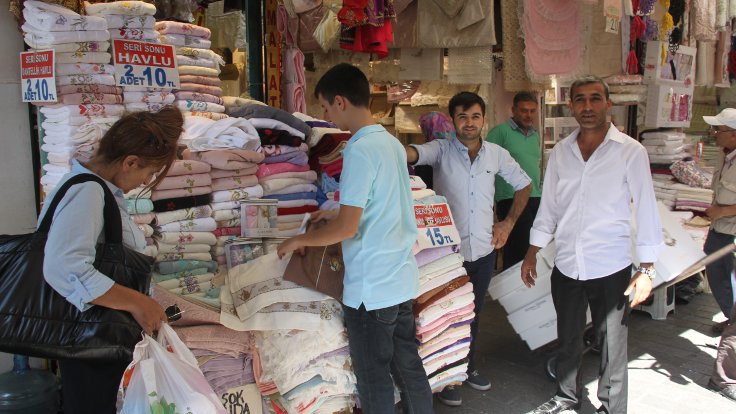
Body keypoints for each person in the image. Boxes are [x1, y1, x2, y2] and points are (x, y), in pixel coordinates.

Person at [276, 63, 433, 413]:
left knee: (373, 376)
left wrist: (299, 241)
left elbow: (349, 229)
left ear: (341, 102)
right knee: (408, 367)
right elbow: (383, 202)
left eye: (327, 108)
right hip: (400, 279)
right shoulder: (390, 143)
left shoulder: (359, 149)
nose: (328, 116)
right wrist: (335, 210)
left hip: (371, 290)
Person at [520, 75, 663, 414]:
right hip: (568, 263)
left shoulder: (631, 152)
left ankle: (612, 407)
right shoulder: (561, 153)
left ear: (608, 104)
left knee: (612, 342)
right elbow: (550, 208)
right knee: (568, 336)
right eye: (580, 99)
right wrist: (532, 251)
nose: (587, 106)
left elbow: (645, 209)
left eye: (595, 98)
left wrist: (646, 270)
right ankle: (567, 398)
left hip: (610, 264)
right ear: (571, 106)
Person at [40, 107, 183, 414]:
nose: (147, 180)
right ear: (130, 161)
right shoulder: (89, 192)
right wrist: (137, 302)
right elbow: (64, 266)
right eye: (150, 172)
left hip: (95, 339)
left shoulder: (94, 189)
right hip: (91, 341)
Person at [406, 91, 532, 407]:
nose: (469, 123)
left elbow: (524, 184)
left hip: (485, 251)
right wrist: (382, 143)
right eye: (463, 117)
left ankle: (465, 369)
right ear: (453, 121)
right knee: (444, 314)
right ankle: (443, 379)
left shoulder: (496, 155)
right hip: (447, 257)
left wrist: (507, 224)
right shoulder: (441, 150)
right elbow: (413, 153)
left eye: (475, 116)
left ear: (483, 119)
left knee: (472, 315)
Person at [487, 92, 542, 269]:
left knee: (534, 249)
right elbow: (485, 165)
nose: (529, 115)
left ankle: (530, 293)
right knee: (516, 251)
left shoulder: (535, 136)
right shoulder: (500, 132)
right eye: (524, 111)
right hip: (511, 198)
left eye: (533, 111)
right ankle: (512, 294)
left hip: (535, 197)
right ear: (513, 110)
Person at [702, 108, 736, 335]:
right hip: (718, 230)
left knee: (733, 279)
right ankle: (731, 317)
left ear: (734, 134)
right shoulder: (725, 155)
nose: (714, 133)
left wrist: (722, 211)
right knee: (715, 273)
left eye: (718, 129)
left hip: (732, 231)